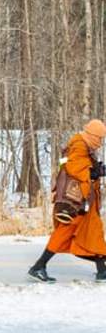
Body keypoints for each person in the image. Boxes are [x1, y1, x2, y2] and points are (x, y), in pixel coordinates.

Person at [29, 119, 106, 283]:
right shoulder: (78, 145)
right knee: (64, 232)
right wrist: (95, 172)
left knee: (94, 232)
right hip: (76, 201)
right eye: (100, 138)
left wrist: (97, 170)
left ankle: (102, 271)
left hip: (86, 200)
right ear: (92, 135)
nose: (100, 142)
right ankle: (38, 266)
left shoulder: (85, 146)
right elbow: (75, 168)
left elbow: (82, 167)